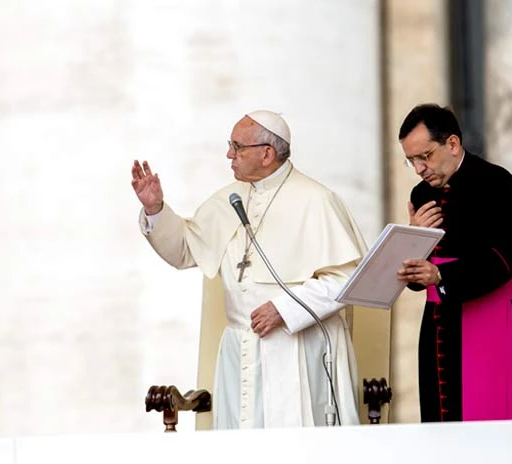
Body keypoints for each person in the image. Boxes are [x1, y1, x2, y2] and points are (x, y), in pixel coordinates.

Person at [131, 110, 368, 428]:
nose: (229, 154)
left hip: (295, 347)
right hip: (240, 349)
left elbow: (346, 279)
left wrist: (285, 310)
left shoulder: (316, 200)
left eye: (237, 147)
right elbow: (184, 251)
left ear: (267, 153)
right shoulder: (227, 199)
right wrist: (155, 209)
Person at [397, 103, 512, 422]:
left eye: (424, 156)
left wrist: (441, 274)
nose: (419, 169)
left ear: (452, 144)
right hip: (443, 323)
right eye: (411, 160)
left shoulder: (499, 185)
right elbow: (416, 276)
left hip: (501, 321)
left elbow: (503, 260)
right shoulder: (420, 194)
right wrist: (413, 239)